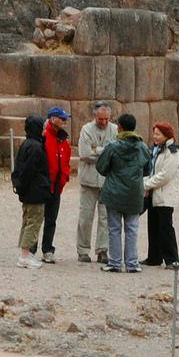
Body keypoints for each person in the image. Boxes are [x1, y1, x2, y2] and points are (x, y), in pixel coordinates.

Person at [96, 114, 148, 274]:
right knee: (132, 228)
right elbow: (147, 169)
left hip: (114, 192)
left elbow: (101, 167)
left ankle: (115, 262)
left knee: (114, 228)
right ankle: (132, 263)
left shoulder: (113, 146)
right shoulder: (143, 147)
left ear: (121, 127)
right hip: (134, 193)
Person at [74, 101, 116, 263]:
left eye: (106, 119)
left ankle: (102, 249)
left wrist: (96, 149)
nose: (104, 122)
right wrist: (104, 150)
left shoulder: (114, 130)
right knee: (86, 217)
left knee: (105, 218)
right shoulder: (86, 130)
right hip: (88, 180)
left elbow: (115, 152)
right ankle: (83, 249)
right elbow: (84, 153)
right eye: (101, 119)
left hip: (107, 181)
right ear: (94, 117)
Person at [11, 115, 51, 270]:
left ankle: (25, 253)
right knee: (33, 222)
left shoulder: (27, 144)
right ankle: (25, 255)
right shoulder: (35, 147)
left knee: (27, 221)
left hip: (29, 191)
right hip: (35, 191)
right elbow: (29, 170)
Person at [141, 122, 179, 269]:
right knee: (153, 226)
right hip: (154, 193)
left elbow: (165, 175)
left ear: (166, 135)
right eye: (154, 133)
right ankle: (154, 257)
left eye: (158, 134)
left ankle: (172, 259)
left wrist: (146, 184)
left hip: (165, 195)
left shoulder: (172, 152)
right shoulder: (156, 150)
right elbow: (151, 170)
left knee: (165, 228)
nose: (155, 136)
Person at [40, 106, 72, 264]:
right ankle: (30, 249)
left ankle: (47, 249)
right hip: (43, 185)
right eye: (62, 118)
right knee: (37, 217)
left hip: (57, 186)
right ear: (53, 119)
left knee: (51, 219)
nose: (65, 121)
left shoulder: (64, 141)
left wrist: (64, 178)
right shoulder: (44, 137)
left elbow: (66, 161)